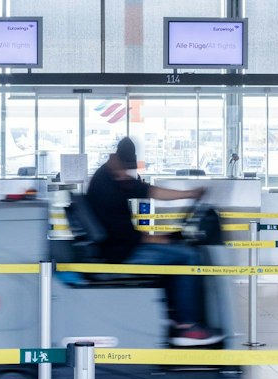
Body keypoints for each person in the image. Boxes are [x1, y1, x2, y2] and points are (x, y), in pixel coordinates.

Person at [84, 137, 222, 347]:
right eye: (126, 170)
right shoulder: (106, 189)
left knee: (175, 251)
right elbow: (125, 235)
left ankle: (173, 316)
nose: (128, 175)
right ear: (117, 160)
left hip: (122, 247)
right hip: (119, 254)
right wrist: (162, 239)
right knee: (188, 257)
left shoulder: (113, 177)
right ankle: (187, 326)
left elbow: (150, 192)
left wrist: (190, 194)